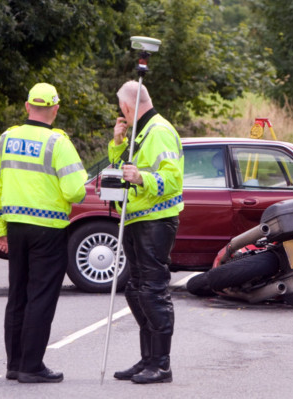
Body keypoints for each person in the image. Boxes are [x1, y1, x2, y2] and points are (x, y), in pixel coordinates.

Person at [0, 83, 88, 383]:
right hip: (48, 231)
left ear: (27, 106)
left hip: (15, 229)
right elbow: (75, 191)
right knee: (40, 297)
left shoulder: (6, 139)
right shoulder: (59, 143)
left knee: (17, 295)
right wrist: (79, 185)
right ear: (55, 110)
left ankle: (14, 365)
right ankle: (32, 366)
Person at [109, 81, 183, 384]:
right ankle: (147, 359)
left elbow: (173, 180)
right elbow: (120, 173)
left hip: (156, 221)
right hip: (136, 219)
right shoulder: (139, 134)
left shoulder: (160, 131)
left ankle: (161, 365)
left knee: (153, 292)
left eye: (120, 108)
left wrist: (142, 178)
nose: (120, 113)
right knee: (136, 290)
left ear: (128, 107)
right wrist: (117, 141)